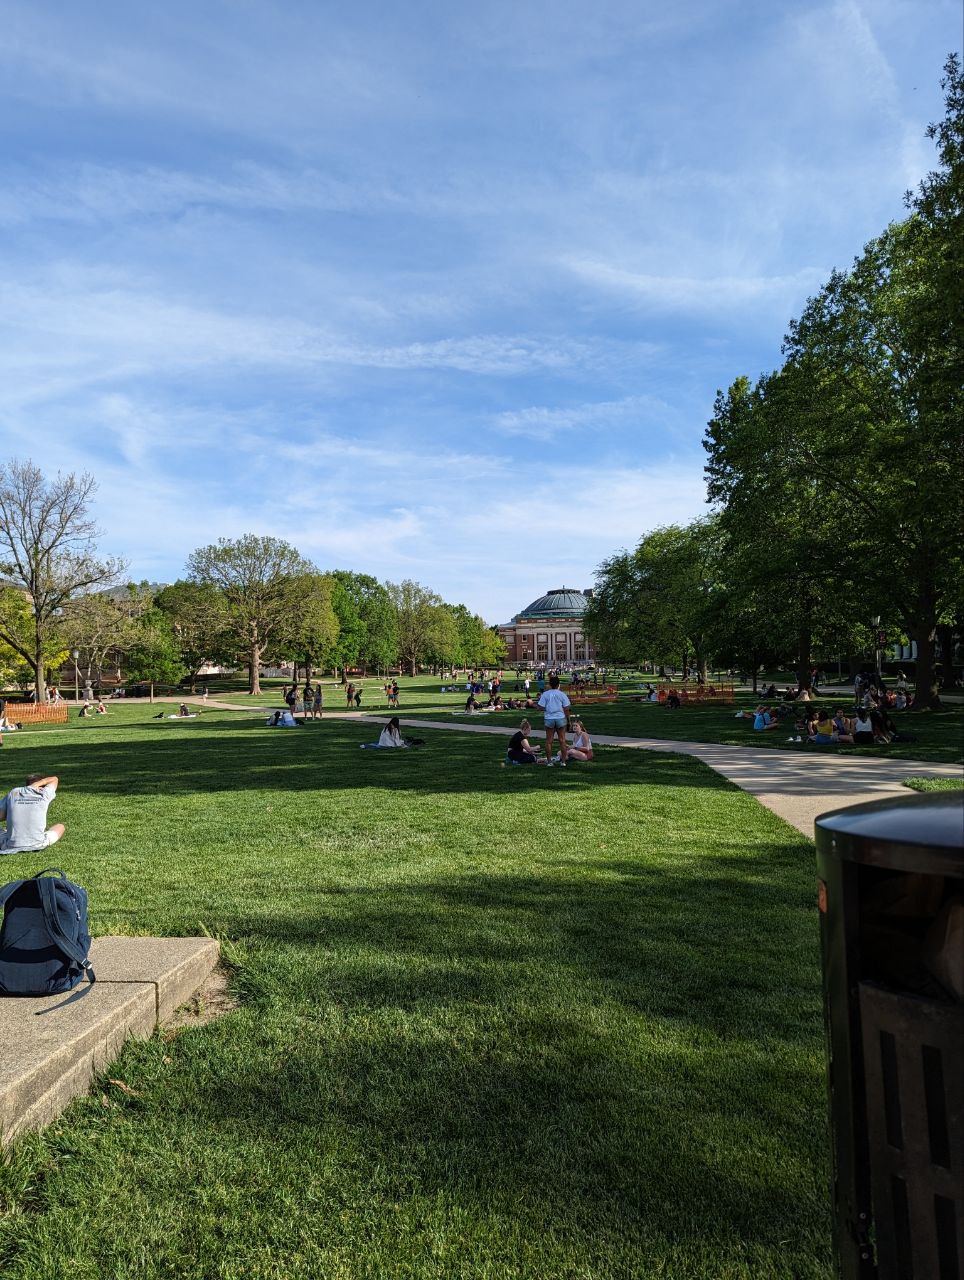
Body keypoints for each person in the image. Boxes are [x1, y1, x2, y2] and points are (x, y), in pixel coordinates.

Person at [0, 773, 65, 854]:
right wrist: (39, 784)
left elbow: (1, 816)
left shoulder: (14, 792)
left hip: (11, 845)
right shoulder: (44, 793)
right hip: (38, 844)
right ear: (42, 786)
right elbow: (54, 779)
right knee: (60, 827)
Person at [537, 674, 570, 766]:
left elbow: (540, 707)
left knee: (549, 741)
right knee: (562, 740)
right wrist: (568, 719)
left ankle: (549, 762)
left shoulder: (545, 694)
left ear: (550, 684)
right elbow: (567, 707)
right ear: (558, 684)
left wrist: (548, 709)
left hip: (549, 718)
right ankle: (563, 762)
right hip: (560, 718)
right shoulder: (562, 694)